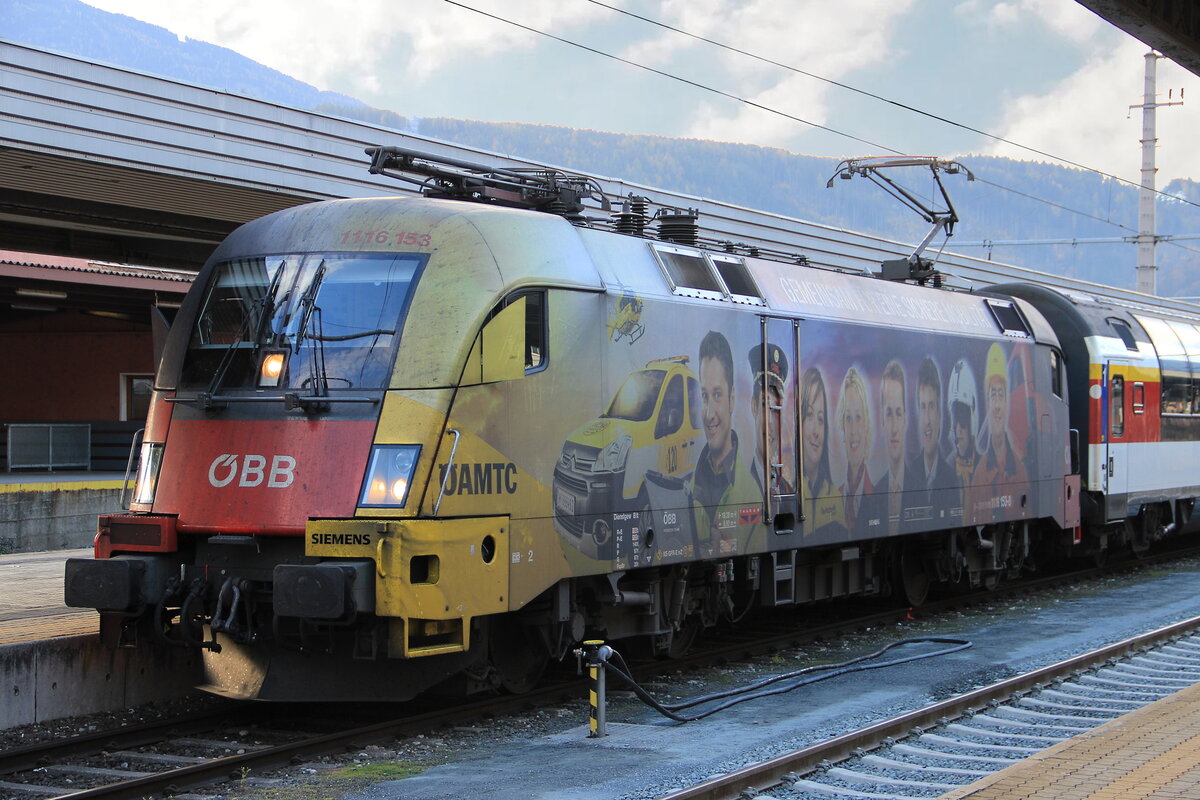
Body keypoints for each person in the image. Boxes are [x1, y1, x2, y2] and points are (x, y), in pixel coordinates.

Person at [689, 330, 761, 556]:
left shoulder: (751, 495)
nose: (709, 413)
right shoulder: (688, 490)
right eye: (704, 396)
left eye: (717, 394)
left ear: (732, 398)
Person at [969, 343, 1030, 524]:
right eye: (992, 395)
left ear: (1007, 402)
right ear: (987, 403)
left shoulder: (1019, 470)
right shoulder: (979, 476)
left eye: (1000, 395)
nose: (996, 406)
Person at [903, 357, 956, 528]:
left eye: (931, 406)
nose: (927, 420)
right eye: (923, 407)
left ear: (940, 412)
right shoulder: (908, 476)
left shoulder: (952, 478)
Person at [800, 366, 847, 538]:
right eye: (809, 415)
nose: (816, 431)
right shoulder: (786, 492)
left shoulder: (835, 497)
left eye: (820, 419)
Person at [839, 367, 882, 536]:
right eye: (848, 418)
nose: (853, 430)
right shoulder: (836, 495)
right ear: (842, 426)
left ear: (867, 427)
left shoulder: (878, 495)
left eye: (858, 417)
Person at [749, 343, 795, 501]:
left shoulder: (788, 490)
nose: (769, 422)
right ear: (753, 406)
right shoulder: (740, 487)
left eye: (775, 409)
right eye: (764, 404)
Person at [874, 360, 907, 535]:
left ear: (906, 418)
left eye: (898, 413)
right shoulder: (872, 496)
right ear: (882, 421)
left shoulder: (926, 490)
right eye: (889, 413)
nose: (894, 428)